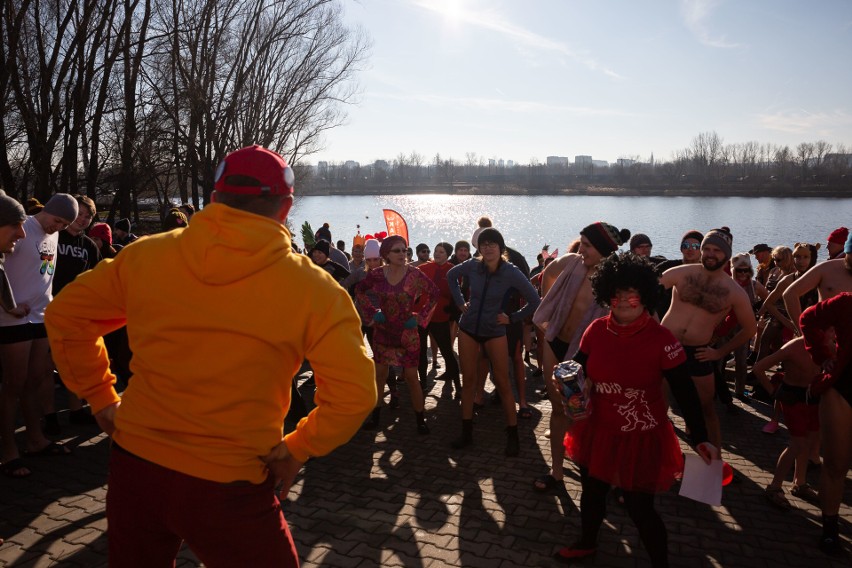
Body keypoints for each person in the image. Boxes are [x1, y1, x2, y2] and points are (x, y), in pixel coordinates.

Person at [45, 145, 377, 566]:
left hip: (137, 467)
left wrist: (100, 397)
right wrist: (297, 448)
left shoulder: (147, 255)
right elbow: (355, 393)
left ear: (215, 198)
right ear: (286, 207)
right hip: (231, 483)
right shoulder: (315, 289)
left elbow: (66, 315)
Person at [554, 252, 717, 566]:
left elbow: (686, 394)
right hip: (598, 430)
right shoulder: (596, 331)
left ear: (645, 298)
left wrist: (700, 438)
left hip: (641, 435)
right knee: (591, 494)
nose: (624, 303)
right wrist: (568, 383)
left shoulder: (662, 340)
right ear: (607, 297)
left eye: (633, 298)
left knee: (640, 508)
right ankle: (587, 543)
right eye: (616, 297)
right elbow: (579, 369)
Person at [531, 221, 628, 491]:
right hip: (556, 342)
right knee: (559, 408)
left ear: (603, 249)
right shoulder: (572, 263)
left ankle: (600, 474)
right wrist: (551, 303)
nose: (580, 249)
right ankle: (557, 472)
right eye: (582, 243)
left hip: (584, 353)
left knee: (586, 414)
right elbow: (547, 274)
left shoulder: (615, 279)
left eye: (587, 245)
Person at [0, 194, 79, 479]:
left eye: (64, 224)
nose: (58, 227)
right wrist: (7, 304)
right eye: (57, 220)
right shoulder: (22, 227)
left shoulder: (54, 235)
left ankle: (36, 440)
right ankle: (8, 450)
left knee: (35, 381)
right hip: (12, 319)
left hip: (41, 316)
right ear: (47, 211)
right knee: (13, 385)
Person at [660, 228, 757, 453]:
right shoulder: (681, 273)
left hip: (698, 353)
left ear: (726, 255)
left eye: (717, 250)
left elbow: (750, 328)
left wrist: (719, 353)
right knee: (657, 402)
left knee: (706, 409)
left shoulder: (733, 291)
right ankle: (656, 453)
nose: (711, 254)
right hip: (666, 346)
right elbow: (643, 293)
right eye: (707, 249)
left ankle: (715, 461)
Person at [448, 227, 540, 456]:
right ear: (478, 248)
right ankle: (466, 433)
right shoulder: (472, 265)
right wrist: (460, 302)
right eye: (484, 244)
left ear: (501, 248)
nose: (488, 248)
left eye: (492, 244)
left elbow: (534, 300)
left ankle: (513, 435)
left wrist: (512, 318)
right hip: (468, 328)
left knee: (503, 383)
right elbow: (450, 276)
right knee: (468, 382)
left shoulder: (511, 271)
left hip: (495, 330)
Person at [355, 235, 438, 434]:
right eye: (397, 251)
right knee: (380, 375)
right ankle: (376, 418)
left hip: (407, 334)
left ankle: (420, 419)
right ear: (386, 254)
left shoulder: (414, 275)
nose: (403, 254)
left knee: (411, 376)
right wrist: (373, 313)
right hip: (383, 332)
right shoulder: (376, 274)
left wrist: (420, 317)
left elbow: (434, 293)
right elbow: (359, 290)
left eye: (404, 250)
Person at [800, 287, 852, 556]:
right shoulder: (846, 303)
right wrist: (822, 358)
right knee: (835, 465)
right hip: (843, 389)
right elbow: (807, 319)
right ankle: (830, 530)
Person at [752, 336, 821, 510]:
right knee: (797, 444)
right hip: (793, 398)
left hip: (813, 398)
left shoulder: (828, 344)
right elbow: (759, 368)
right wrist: (774, 393)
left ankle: (800, 482)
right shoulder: (795, 345)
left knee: (808, 441)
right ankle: (774, 486)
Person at [417, 242, 461, 399]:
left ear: (448, 254)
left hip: (440, 315)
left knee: (447, 351)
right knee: (421, 351)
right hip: (422, 315)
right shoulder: (425, 267)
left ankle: (458, 386)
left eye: (441, 252)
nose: (437, 254)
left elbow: (457, 292)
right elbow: (410, 275)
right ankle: (422, 384)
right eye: (436, 251)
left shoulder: (452, 270)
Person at [782, 234, 852, 333]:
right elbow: (790, 294)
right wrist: (803, 332)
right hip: (824, 336)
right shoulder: (826, 269)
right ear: (847, 252)